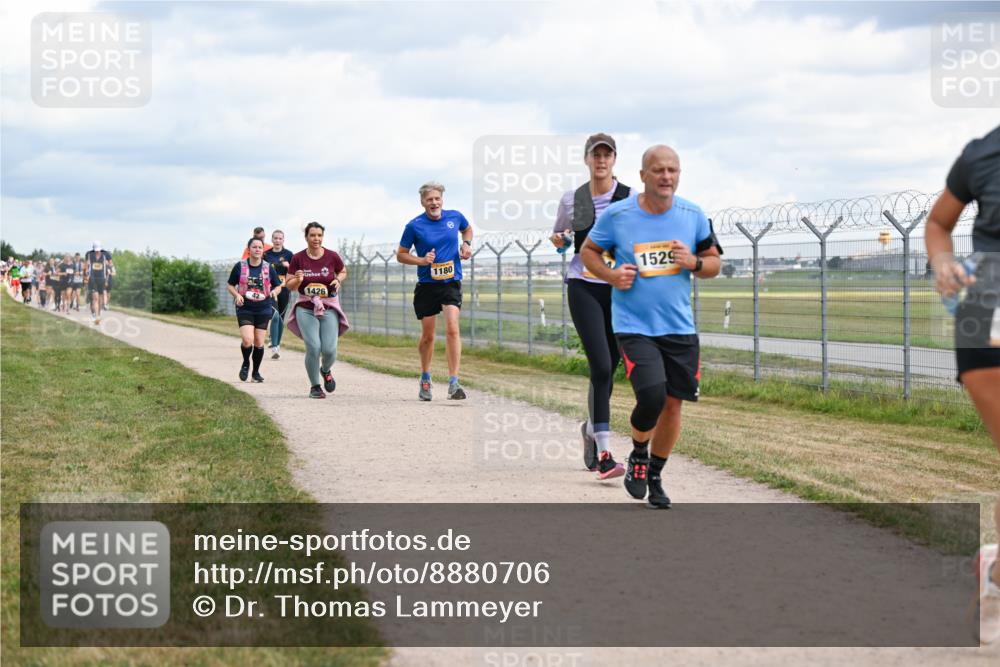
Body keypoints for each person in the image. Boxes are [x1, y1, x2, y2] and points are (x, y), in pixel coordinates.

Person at [582, 145, 723, 509]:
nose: (666, 177)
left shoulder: (693, 215)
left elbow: (713, 264)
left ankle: (654, 473)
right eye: (658, 170)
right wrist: (612, 276)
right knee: (652, 395)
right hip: (633, 324)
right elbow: (588, 252)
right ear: (643, 175)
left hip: (679, 326)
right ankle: (638, 451)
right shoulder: (619, 214)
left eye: (672, 170)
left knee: (674, 405)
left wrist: (693, 261)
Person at [924, 122, 1000, 645]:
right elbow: (938, 222)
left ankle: (994, 573)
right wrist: (943, 261)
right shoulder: (983, 153)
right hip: (987, 315)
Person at [551, 133, 632, 480]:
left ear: (614, 160)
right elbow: (561, 239)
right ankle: (605, 454)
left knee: (610, 367)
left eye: (606, 155)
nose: (601, 161)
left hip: (619, 289)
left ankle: (590, 429)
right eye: (595, 155)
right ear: (586, 159)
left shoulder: (630, 198)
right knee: (600, 366)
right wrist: (559, 241)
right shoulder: (574, 199)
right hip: (583, 285)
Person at [396, 181, 473, 401]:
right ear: (422, 202)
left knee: (452, 328)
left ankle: (454, 382)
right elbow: (401, 254)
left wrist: (466, 244)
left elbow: (467, 229)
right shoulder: (414, 226)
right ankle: (425, 377)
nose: (434, 202)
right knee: (429, 336)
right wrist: (421, 260)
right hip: (427, 285)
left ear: (442, 200)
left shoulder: (455, 217)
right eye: (429, 199)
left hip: (451, 281)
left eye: (437, 198)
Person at [284, 222, 350, 399]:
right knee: (314, 347)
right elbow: (289, 286)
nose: (316, 239)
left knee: (329, 349)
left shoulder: (331, 256)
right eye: (312, 235)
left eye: (319, 235)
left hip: (328, 306)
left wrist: (338, 280)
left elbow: (343, 271)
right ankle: (315, 386)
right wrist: (298, 280)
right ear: (306, 237)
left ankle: (325, 370)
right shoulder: (298, 258)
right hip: (305, 307)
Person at [226, 238, 282, 383]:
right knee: (247, 339)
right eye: (254, 247)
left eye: (260, 247)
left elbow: (278, 285)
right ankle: (246, 363)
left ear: (263, 250)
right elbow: (230, 285)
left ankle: (256, 372)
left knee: (258, 342)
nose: (257, 249)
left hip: (263, 308)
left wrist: (275, 292)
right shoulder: (240, 266)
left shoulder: (268, 267)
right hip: (245, 307)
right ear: (249, 249)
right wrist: (237, 295)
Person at [264, 229, 294, 359]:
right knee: (274, 315)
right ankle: (274, 347)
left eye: (280, 238)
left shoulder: (289, 254)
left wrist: (289, 266)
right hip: (271, 290)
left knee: (281, 317)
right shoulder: (266, 254)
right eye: (275, 238)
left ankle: (277, 344)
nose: (277, 241)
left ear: (283, 240)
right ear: (272, 240)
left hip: (284, 289)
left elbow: (295, 272)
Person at [85, 242, 111, 324]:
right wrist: (86, 274)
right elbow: (86, 267)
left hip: (101, 279)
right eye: (96, 250)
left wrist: (106, 280)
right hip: (93, 279)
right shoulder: (89, 255)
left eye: (98, 250)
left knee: (100, 299)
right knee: (95, 298)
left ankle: (98, 314)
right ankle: (95, 316)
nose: (97, 252)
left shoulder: (105, 255)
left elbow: (108, 267)